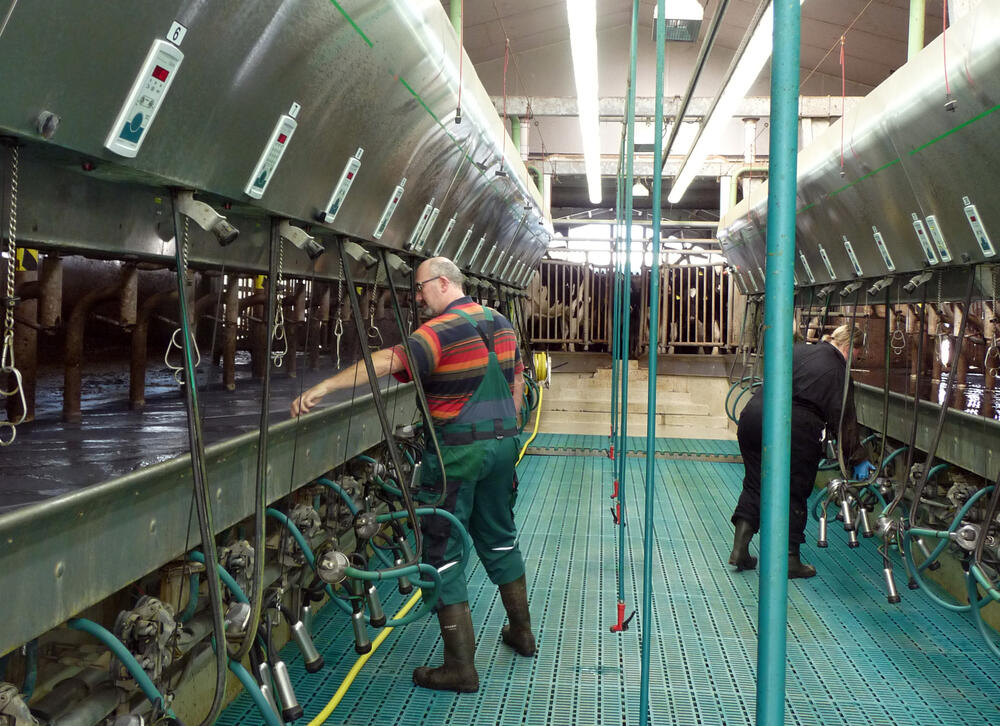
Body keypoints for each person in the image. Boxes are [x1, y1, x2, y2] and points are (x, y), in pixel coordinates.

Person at [291, 256, 535, 693]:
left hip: (458, 455)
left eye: (420, 288)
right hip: (502, 448)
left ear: (443, 282)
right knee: (500, 535)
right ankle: (521, 633)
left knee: (440, 549)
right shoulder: (500, 322)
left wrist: (325, 386)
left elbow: (386, 362)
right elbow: (516, 381)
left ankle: (460, 667)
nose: (418, 298)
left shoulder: (438, 331)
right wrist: (508, 431)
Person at [728, 323, 873, 578]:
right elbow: (843, 420)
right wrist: (857, 457)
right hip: (791, 426)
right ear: (850, 347)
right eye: (858, 355)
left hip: (753, 416)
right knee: (794, 488)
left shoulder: (798, 350)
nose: (855, 361)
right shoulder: (838, 370)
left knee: (754, 483)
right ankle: (790, 560)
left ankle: (740, 549)